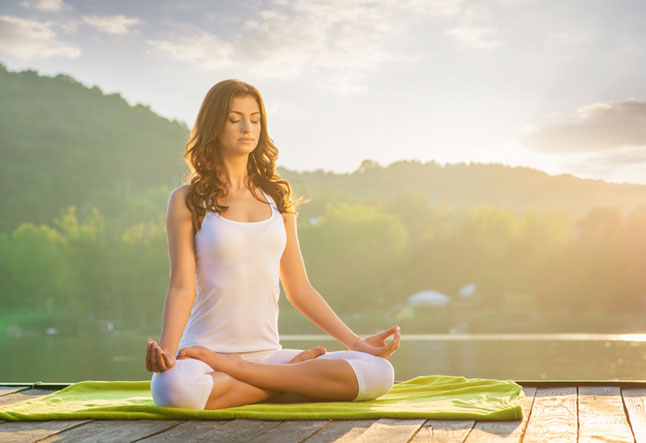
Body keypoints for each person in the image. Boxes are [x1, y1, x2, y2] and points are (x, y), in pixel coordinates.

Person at [145, 79, 401, 410]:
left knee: (378, 371)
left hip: (268, 353)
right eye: (234, 118)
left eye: (255, 118)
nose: (246, 127)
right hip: (205, 355)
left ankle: (247, 374)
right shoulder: (187, 200)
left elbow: (299, 288)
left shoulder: (277, 198)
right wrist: (167, 349)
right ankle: (287, 382)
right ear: (214, 125)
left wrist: (355, 343)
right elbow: (181, 286)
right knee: (172, 389)